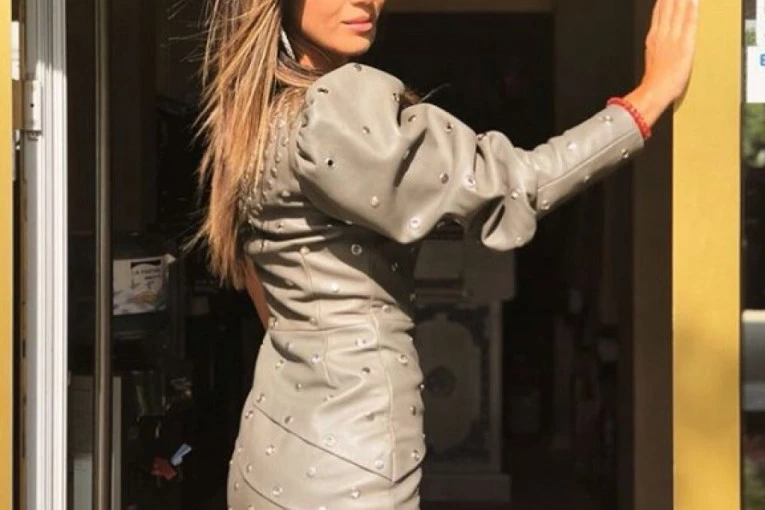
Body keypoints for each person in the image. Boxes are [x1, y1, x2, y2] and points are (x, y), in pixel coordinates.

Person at [194, 0, 698, 508]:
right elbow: (516, 184)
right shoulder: (334, 110)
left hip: (269, 451)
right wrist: (647, 99)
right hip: (348, 464)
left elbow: (263, 291)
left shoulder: (257, 119)